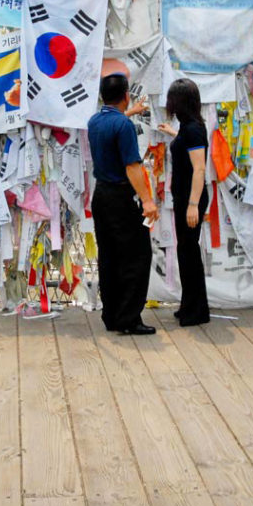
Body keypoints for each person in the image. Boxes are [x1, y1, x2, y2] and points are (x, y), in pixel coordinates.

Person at [87, 73, 159, 335]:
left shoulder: (95, 121)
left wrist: (130, 112)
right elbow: (132, 167)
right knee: (136, 256)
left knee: (109, 255)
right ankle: (129, 318)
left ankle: (112, 315)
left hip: (101, 196)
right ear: (126, 95)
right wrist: (147, 200)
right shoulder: (123, 126)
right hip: (121, 196)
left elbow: (114, 124)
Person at [157, 78, 211, 326]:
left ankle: (197, 310)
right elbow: (189, 148)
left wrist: (192, 205)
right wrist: (172, 134)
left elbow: (199, 169)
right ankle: (189, 304)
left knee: (189, 253)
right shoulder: (190, 127)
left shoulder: (194, 129)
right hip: (185, 196)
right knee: (185, 251)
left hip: (191, 198)